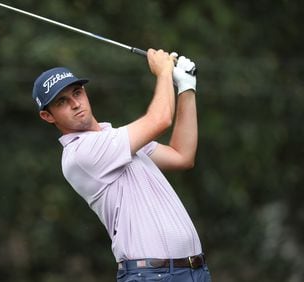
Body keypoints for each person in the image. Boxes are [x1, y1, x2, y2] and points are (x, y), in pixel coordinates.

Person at [32, 49, 211, 282]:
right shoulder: (80, 153)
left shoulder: (118, 140)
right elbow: (160, 120)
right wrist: (164, 72)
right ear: (48, 116)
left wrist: (186, 87)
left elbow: (182, 155)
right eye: (62, 102)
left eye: (77, 93)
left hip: (194, 271)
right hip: (152, 276)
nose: (75, 104)